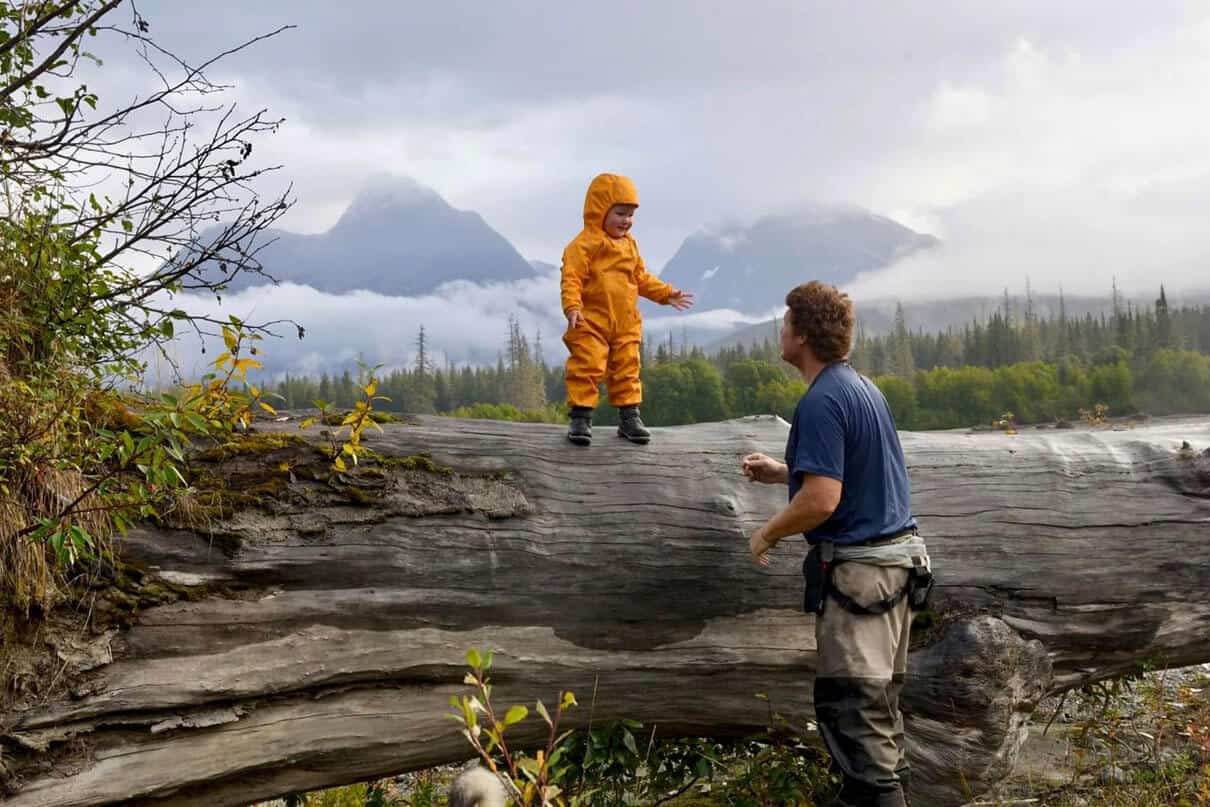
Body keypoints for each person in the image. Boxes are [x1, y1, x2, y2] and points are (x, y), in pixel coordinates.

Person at [740, 281, 931, 807]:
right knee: (877, 720)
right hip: (895, 575)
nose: (779, 331)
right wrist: (785, 473)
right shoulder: (862, 389)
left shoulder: (822, 401)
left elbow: (823, 502)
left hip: (861, 583)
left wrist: (766, 532)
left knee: (855, 719)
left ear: (801, 335)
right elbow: (855, 478)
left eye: (785, 323)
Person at [560, 173, 694, 446]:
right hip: (591, 321)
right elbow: (571, 278)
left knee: (628, 368)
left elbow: (641, 278)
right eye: (620, 213)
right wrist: (572, 306)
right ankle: (581, 417)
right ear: (600, 210)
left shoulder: (630, 245)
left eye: (631, 215)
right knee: (587, 365)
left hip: (625, 323)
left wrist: (666, 294)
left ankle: (630, 417)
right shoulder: (582, 245)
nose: (626, 221)